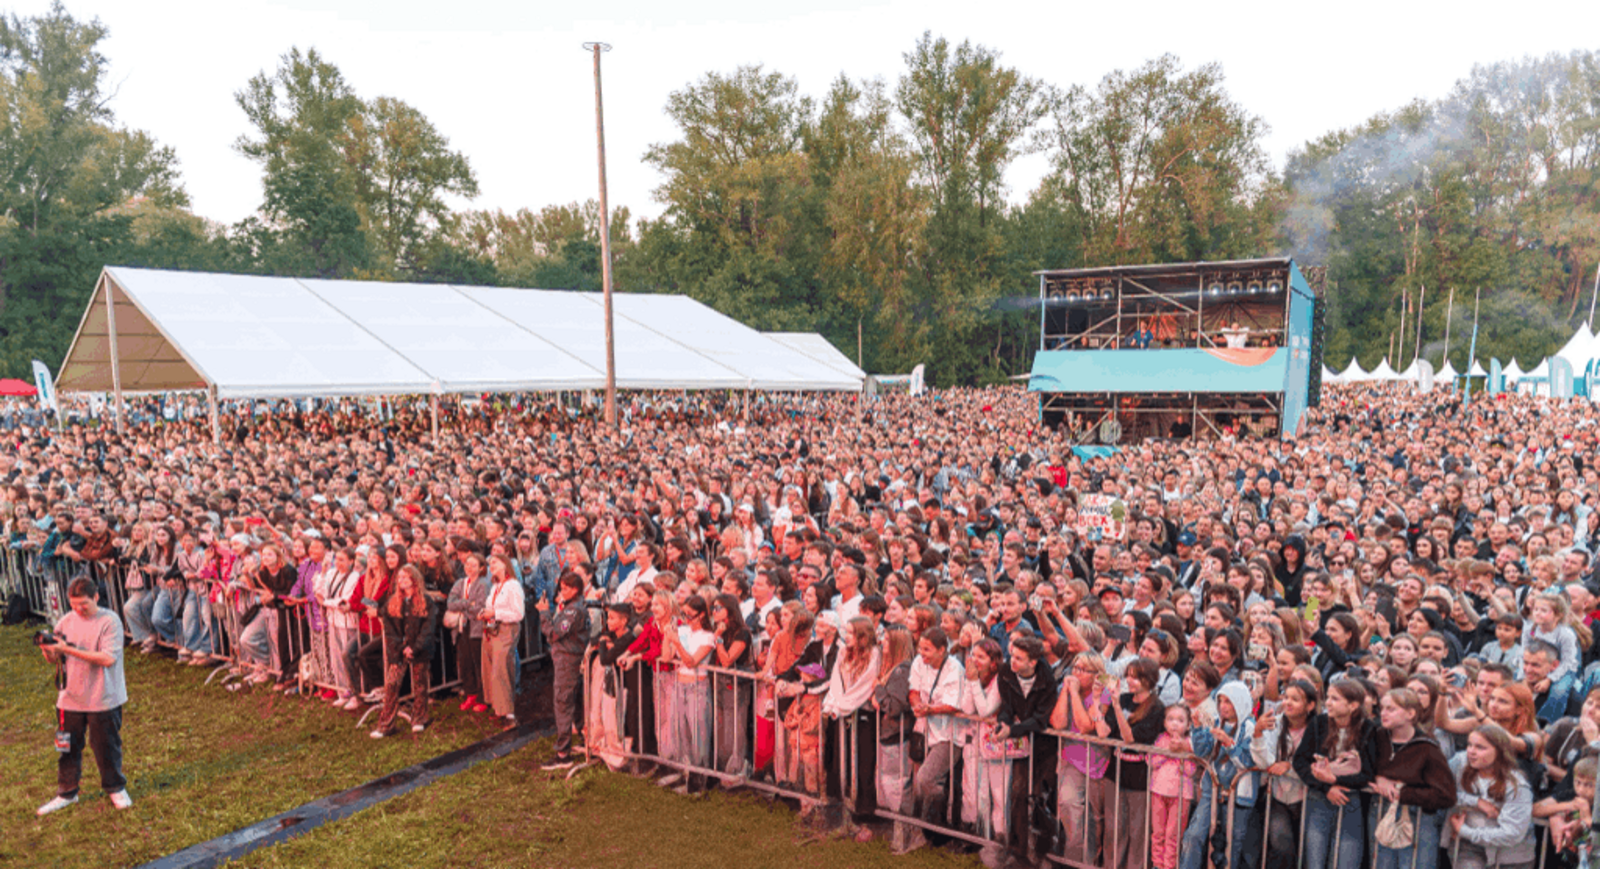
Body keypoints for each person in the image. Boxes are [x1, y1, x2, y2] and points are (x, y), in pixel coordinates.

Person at [37, 576, 132, 815]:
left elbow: (107, 659)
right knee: (66, 746)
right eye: (74, 604)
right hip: (69, 698)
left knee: (106, 745)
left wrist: (66, 649)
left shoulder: (110, 621)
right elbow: (55, 658)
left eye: (84, 604)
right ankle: (66, 791)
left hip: (103, 697)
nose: (79, 609)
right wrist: (48, 650)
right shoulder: (67, 620)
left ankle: (115, 787)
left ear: (96, 597)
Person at [1370, 687, 1456, 869]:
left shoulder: (1427, 747)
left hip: (1417, 820)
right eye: (1382, 708)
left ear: (1410, 713)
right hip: (1381, 814)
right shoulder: (1377, 737)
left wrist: (1403, 792)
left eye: (1391, 709)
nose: (1383, 713)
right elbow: (1363, 767)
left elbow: (1446, 794)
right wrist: (1377, 777)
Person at [1448, 724, 1536, 869]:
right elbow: (1441, 792)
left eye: (1480, 747)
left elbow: (1512, 833)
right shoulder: (1461, 762)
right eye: (1469, 745)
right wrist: (1476, 802)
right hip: (1471, 849)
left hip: (1511, 859)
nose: (1471, 752)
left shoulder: (1517, 786)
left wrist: (1465, 831)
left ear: (1500, 752)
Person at [369, 564, 438, 738]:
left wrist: (415, 647)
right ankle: (386, 724)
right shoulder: (393, 602)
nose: (402, 581)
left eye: (406, 577)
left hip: (419, 650)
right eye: (400, 578)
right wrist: (401, 647)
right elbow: (390, 629)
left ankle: (419, 718)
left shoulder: (426, 602)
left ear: (414, 580)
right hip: (398, 651)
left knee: (420, 684)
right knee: (392, 685)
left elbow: (427, 628)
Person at [539, 570, 591, 769]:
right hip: (570, 659)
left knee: (563, 703)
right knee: (576, 702)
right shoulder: (573, 607)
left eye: (565, 589)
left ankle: (563, 754)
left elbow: (554, 634)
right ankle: (584, 740)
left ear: (575, 589)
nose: (561, 592)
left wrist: (544, 613)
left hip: (568, 661)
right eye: (561, 588)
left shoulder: (573, 610)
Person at [480, 554, 525, 729]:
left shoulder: (513, 586)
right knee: (492, 669)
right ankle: (499, 709)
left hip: (506, 630)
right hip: (492, 629)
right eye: (490, 563)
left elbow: (518, 613)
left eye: (495, 563)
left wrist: (495, 615)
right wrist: (486, 613)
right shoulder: (496, 586)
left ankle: (509, 714)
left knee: (502, 670)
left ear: (505, 565)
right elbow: (492, 606)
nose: (491, 566)